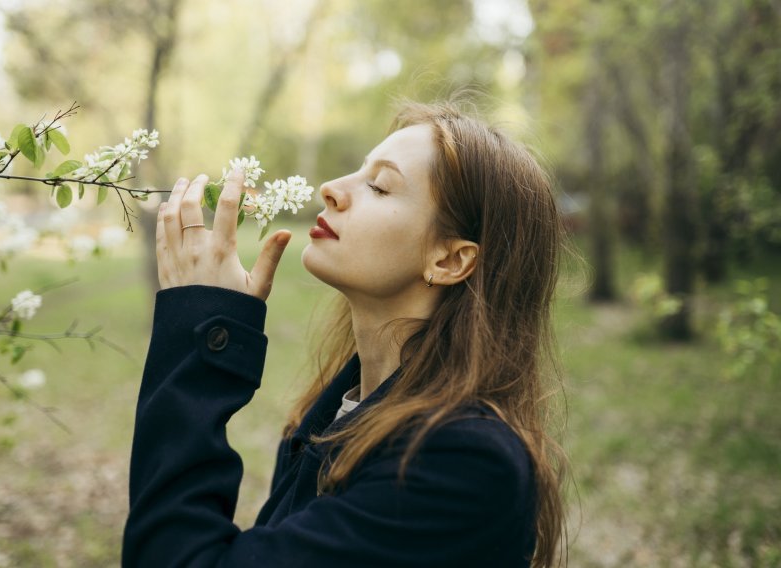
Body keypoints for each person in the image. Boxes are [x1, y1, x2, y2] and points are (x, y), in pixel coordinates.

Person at [123, 102, 567, 567]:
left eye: (379, 186)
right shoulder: (335, 413)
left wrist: (202, 341)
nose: (330, 189)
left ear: (450, 261)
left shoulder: (463, 462)